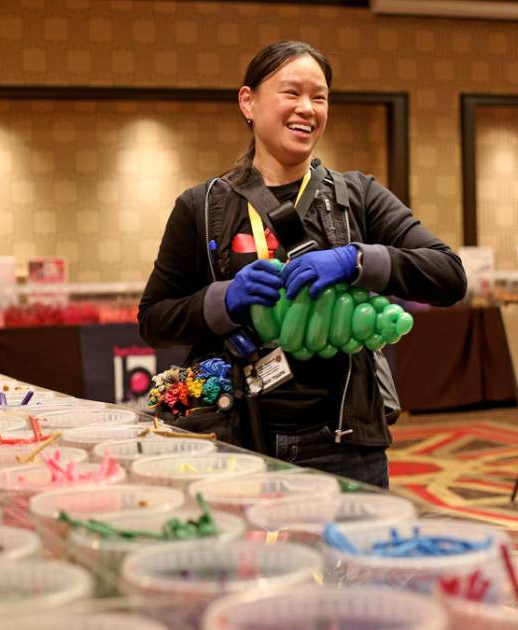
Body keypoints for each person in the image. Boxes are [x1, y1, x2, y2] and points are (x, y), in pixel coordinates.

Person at [138, 41, 466, 488]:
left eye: (320, 96)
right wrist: (224, 300)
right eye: (291, 93)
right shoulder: (203, 206)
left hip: (346, 443)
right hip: (236, 440)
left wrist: (356, 259)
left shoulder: (358, 197)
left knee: (349, 560)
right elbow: (154, 320)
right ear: (248, 102)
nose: (307, 108)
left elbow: (448, 276)